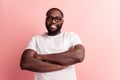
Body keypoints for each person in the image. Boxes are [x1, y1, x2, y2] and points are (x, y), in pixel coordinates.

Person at [20, 8, 85, 80]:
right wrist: (61, 65)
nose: (53, 21)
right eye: (49, 18)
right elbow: (25, 63)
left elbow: (79, 56)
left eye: (57, 18)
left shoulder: (71, 36)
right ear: (45, 20)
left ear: (62, 21)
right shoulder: (36, 39)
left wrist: (42, 57)